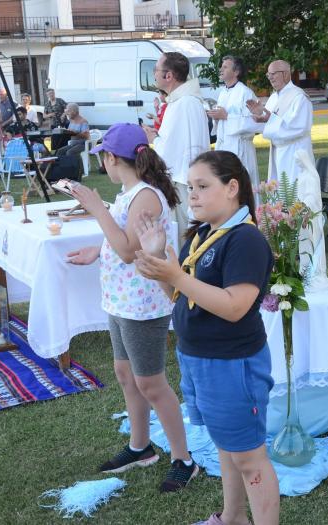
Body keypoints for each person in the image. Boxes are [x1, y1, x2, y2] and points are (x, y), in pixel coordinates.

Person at [134, 150, 280, 525]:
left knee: (249, 458)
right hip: (197, 358)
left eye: (202, 186)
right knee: (228, 447)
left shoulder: (244, 240)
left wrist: (177, 275)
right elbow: (182, 298)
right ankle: (233, 519)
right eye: (190, 187)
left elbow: (235, 306)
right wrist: (162, 269)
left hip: (232, 365)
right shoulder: (202, 234)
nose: (192, 195)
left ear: (233, 188)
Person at [64, 123, 198, 492]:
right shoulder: (128, 193)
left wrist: (94, 208)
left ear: (111, 158)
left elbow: (128, 249)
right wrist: (97, 250)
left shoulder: (146, 196)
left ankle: (183, 459)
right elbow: (124, 243)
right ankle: (140, 447)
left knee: (150, 383)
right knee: (124, 373)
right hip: (121, 298)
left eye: (102, 158)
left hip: (144, 303)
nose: (102, 165)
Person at [144, 51, 210, 244]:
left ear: (169, 76)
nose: (154, 74)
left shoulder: (185, 103)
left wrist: (154, 139)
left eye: (156, 70)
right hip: (184, 178)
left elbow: (172, 150)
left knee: (185, 237)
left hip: (184, 182)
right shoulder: (180, 101)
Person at [246, 59, 313, 183]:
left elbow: (299, 127)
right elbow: (270, 124)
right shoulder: (273, 97)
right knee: (280, 193)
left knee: (294, 193)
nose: (270, 78)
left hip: (294, 153)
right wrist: (260, 118)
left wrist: (269, 119)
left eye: (274, 74)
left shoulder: (299, 97)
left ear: (286, 74)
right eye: (268, 75)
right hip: (277, 152)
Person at [208, 55, 262, 198]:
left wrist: (227, 117)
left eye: (225, 67)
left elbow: (255, 123)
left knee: (243, 189)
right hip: (224, 146)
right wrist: (216, 118)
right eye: (221, 66)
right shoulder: (223, 93)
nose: (221, 69)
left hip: (241, 148)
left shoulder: (245, 93)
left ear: (236, 72)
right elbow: (221, 119)